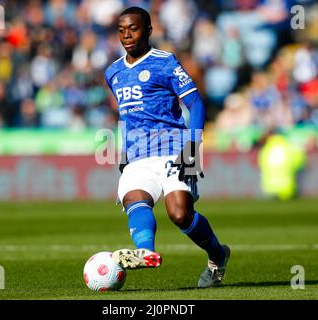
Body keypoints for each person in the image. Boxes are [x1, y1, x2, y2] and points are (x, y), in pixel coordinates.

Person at [104, 7, 230, 288]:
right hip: (137, 155)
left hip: (175, 149)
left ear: (149, 30)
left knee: (180, 214)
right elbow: (129, 116)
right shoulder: (113, 72)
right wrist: (124, 153)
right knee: (136, 199)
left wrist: (192, 149)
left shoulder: (165, 62)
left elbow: (196, 103)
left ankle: (218, 255)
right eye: (122, 29)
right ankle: (145, 251)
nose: (126, 35)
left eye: (133, 29)